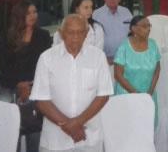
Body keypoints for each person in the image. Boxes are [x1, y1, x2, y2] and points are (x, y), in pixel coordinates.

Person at [31, 14, 113, 151]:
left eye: (80, 32)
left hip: (89, 136)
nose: (75, 37)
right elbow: (41, 99)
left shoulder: (98, 57)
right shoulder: (47, 58)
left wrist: (77, 123)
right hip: (56, 139)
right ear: (61, 33)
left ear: (86, 33)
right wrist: (69, 126)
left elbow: (103, 95)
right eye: (70, 32)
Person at [0, 3, 52, 151]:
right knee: (9, 130)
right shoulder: (7, 35)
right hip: (8, 86)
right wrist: (18, 84)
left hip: (34, 88)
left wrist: (29, 85)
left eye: (35, 12)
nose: (33, 15)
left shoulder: (44, 35)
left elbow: (45, 65)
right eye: (28, 13)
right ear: (19, 16)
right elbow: (2, 63)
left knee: (34, 130)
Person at [114, 16, 161, 122]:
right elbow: (118, 75)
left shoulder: (153, 44)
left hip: (148, 94)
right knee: (128, 128)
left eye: (149, 26)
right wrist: (137, 94)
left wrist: (150, 91)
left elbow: (157, 69)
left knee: (147, 129)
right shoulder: (124, 47)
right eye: (145, 26)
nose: (148, 29)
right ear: (134, 28)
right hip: (127, 96)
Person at [93, 0, 132, 64]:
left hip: (125, 59)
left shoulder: (126, 12)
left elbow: (133, 32)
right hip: (105, 60)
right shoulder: (96, 14)